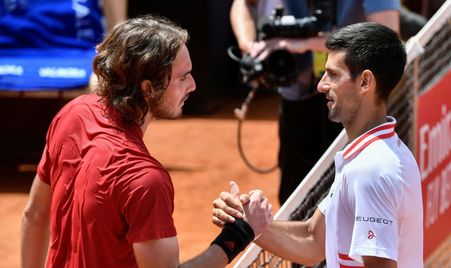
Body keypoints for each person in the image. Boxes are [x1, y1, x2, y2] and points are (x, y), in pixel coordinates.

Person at [20, 15, 273, 268]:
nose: (193, 86)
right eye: (182, 78)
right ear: (148, 88)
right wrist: (238, 234)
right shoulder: (145, 180)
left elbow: (35, 214)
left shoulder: (72, 114)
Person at [213, 22, 423, 267]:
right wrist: (246, 223)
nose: (321, 85)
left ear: (365, 82)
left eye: (333, 74)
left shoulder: (371, 169)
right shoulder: (373, 156)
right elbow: (313, 240)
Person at [230, 0, 402, 205]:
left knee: (351, 198)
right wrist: (249, 45)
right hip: (295, 97)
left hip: (353, 107)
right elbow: (242, 4)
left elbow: (387, 39)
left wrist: (306, 44)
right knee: (294, 197)